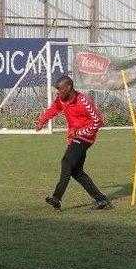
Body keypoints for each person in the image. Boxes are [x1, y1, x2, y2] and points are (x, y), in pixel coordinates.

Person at [36, 75, 112, 211]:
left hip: (86, 137)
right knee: (77, 172)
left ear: (68, 87)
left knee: (66, 162)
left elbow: (98, 122)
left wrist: (79, 133)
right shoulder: (62, 99)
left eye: (59, 90)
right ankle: (102, 200)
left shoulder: (84, 101)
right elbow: (53, 109)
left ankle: (57, 197)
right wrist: (42, 121)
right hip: (75, 136)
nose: (57, 93)